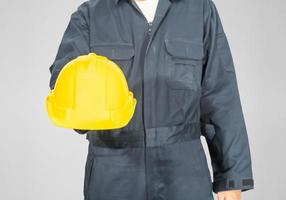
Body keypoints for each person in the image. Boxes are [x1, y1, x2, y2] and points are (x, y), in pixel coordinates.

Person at [48, 0, 254, 199]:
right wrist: (85, 110)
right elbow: (65, 81)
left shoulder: (199, 9)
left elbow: (220, 94)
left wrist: (231, 178)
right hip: (112, 170)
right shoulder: (91, 15)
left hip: (183, 171)